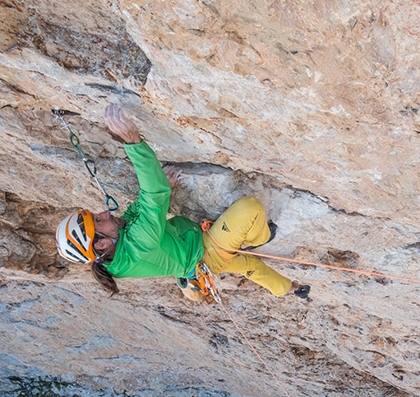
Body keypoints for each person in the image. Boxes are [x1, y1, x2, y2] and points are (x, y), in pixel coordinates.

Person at [55, 104, 311, 300]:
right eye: (98, 220)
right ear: (100, 242)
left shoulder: (115, 252)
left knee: (247, 266)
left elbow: (139, 211)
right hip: (205, 253)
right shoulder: (137, 246)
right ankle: (259, 240)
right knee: (250, 210)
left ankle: (287, 289)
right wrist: (132, 141)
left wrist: (162, 187)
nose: (104, 213)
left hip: (190, 255)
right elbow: (153, 198)